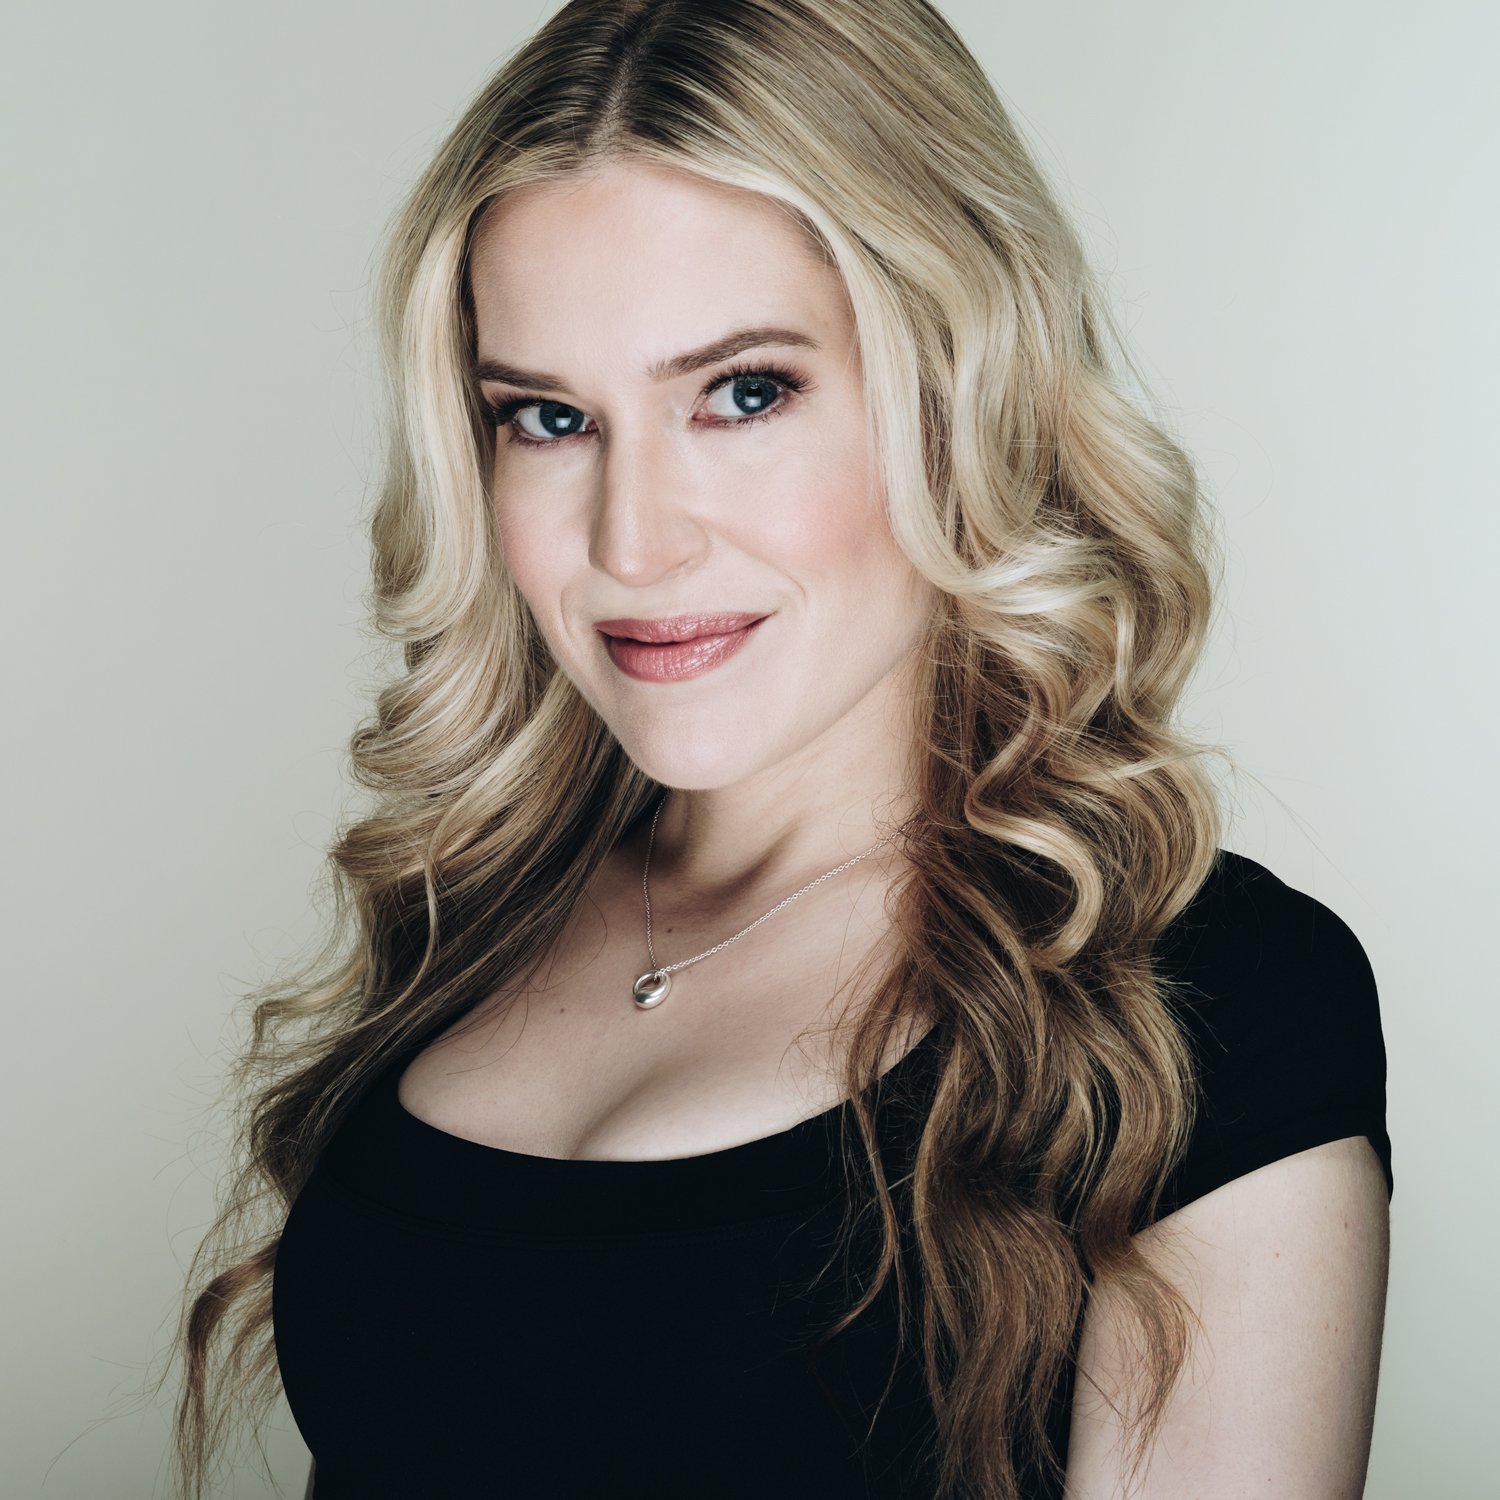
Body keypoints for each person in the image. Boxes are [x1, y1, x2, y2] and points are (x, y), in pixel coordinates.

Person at [163, 2, 1393, 1498]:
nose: (633, 540)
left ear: (958, 389)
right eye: (549, 418)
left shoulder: (1203, 1012)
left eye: (741, 393)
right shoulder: (483, 907)